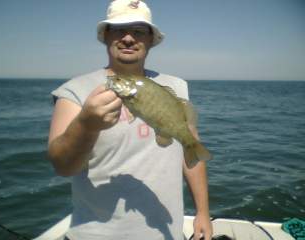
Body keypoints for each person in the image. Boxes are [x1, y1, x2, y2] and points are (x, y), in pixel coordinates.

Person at [48, 0, 213, 239]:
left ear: (150, 40)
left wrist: (203, 213)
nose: (128, 38)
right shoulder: (75, 91)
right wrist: (86, 125)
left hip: (166, 233)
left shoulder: (177, 86)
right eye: (118, 29)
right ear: (105, 36)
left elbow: (192, 151)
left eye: (138, 31)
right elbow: (62, 167)